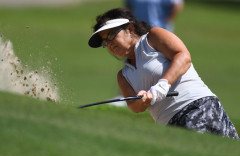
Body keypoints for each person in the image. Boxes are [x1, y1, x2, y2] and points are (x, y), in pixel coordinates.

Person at [87, 8, 239, 139]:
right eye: (105, 42)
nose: (110, 43)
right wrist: (143, 100)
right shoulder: (123, 76)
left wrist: (162, 85)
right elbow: (134, 106)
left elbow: (183, 57)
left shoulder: (153, 38)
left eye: (112, 35)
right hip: (170, 125)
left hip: (197, 106)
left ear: (130, 29)